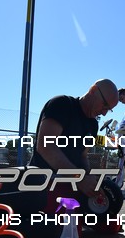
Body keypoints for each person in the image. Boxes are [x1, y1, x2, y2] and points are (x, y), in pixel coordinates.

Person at [29, 78, 119, 210]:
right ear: (93, 90)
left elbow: (83, 156)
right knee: (60, 221)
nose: (104, 112)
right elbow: (46, 146)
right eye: (104, 105)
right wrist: (79, 178)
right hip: (44, 184)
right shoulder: (62, 104)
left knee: (105, 220)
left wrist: (89, 179)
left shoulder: (93, 124)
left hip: (70, 185)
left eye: (109, 109)